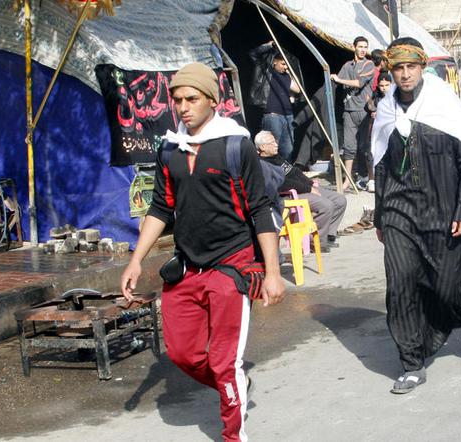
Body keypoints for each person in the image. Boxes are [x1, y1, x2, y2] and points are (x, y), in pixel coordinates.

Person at [119, 62, 285, 441]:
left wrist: (272, 273)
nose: (182, 107)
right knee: (182, 355)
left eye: (191, 99)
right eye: (177, 99)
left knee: (224, 362)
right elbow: (161, 207)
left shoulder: (235, 145)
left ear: (212, 100)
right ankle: (233, 386)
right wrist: (135, 260)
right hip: (188, 268)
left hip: (233, 265)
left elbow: (260, 209)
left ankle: (233, 431)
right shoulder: (170, 149)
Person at [371, 37, 461, 394]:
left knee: (451, 286)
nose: (404, 75)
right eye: (398, 69)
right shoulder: (387, 111)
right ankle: (411, 361)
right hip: (399, 212)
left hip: (445, 210)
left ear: (422, 68)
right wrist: (379, 215)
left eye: (410, 67)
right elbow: (380, 166)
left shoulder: (443, 106)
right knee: (401, 283)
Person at [255, 130, 347, 252]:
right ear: (263, 147)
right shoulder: (262, 164)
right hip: (287, 195)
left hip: (302, 189)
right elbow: (282, 184)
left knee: (340, 200)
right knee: (326, 205)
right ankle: (315, 242)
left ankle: (329, 235)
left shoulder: (277, 157)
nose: (276, 144)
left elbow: (295, 172)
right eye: (272, 143)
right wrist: (308, 188)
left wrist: (310, 183)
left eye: (275, 141)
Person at [331, 36, 376, 190]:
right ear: (354, 47)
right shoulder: (347, 66)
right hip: (349, 111)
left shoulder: (369, 64)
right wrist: (333, 78)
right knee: (349, 147)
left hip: (364, 111)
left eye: (365, 47)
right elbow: (337, 80)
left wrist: (339, 79)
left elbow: (359, 83)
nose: (363, 50)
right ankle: (347, 179)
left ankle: (371, 179)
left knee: (366, 147)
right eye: (360, 46)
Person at [249, 42, 300, 160]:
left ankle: (286, 175)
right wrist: (268, 45)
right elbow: (254, 54)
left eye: (287, 64)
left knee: (288, 149)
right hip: (273, 115)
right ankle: (272, 172)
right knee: (271, 149)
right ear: (274, 61)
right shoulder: (266, 71)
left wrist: (290, 72)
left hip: (288, 116)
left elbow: (297, 89)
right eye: (283, 64)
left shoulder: (286, 76)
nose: (285, 67)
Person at [361, 71, 393, 193]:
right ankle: (372, 179)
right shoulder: (376, 96)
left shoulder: (395, 96)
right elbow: (368, 107)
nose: (384, 88)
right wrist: (371, 109)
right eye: (381, 85)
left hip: (390, 130)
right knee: (371, 153)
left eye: (386, 85)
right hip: (376, 131)